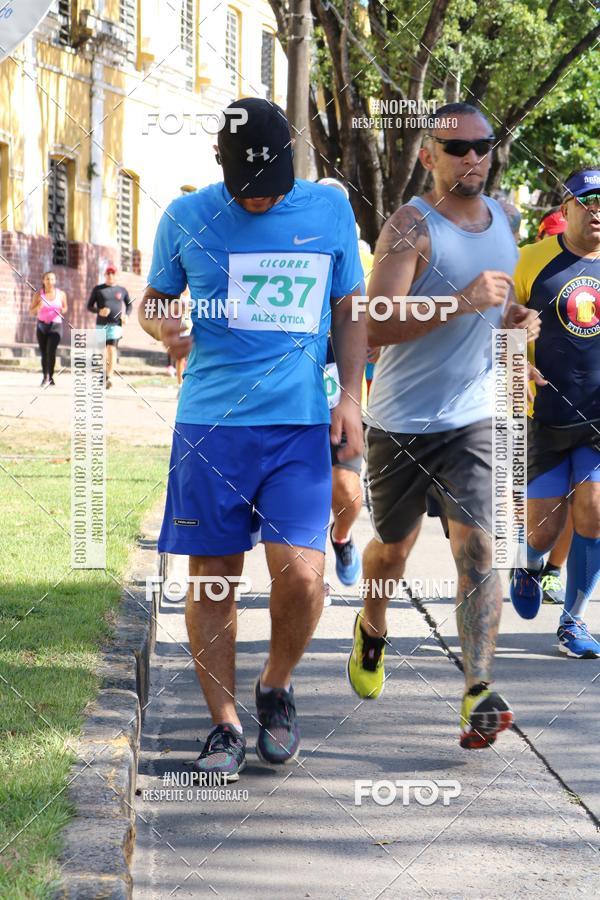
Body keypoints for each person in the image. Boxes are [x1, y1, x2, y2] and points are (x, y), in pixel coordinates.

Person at [139, 98, 366, 779]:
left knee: (302, 574)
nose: (262, 202)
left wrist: (352, 395)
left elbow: (349, 306)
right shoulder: (185, 216)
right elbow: (153, 300)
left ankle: (276, 683)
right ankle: (224, 726)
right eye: (249, 193)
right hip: (211, 427)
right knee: (212, 582)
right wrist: (162, 327)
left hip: (297, 424)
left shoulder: (327, 211)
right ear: (221, 168)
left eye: (273, 190)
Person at [348, 102, 539, 750]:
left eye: (483, 145)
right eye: (457, 148)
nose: (474, 158)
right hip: (400, 423)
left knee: (479, 549)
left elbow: (497, 301)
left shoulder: (505, 219)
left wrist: (512, 321)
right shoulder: (409, 226)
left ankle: (478, 691)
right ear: (428, 155)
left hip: (471, 417)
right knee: (391, 552)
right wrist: (463, 305)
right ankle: (373, 624)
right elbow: (374, 324)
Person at [510, 168, 600, 658]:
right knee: (543, 529)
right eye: (587, 200)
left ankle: (573, 622)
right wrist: (516, 359)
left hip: (598, 417)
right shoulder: (528, 261)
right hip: (542, 416)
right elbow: (496, 328)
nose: (597, 210)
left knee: (594, 514)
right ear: (564, 207)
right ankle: (527, 563)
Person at [318, 177, 372, 587]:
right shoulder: (289, 247)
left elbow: (377, 322)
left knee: (347, 488)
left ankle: (342, 536)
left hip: (343, 390)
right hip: (288, 390)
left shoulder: (364, 262)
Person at [535, 205, 570, 604]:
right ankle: (525, 561)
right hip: (527, 408)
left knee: (584, 501)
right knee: (533, 505)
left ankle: (554, 571)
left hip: (581, 410)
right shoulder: (528, 271)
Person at [87, 264, 133, 389]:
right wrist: (99, 311)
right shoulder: (98, 289)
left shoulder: (122, 290)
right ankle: (102, 374)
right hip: (101, 324)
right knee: (102, 351)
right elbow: (89, 306)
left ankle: (109, 377)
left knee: (111, 349)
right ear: (105, 275)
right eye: (108, 273)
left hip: (115, 325)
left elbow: (129, 305)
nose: (110, 276)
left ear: (117, 275)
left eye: (113, 273)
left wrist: (127, 316)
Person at [30, 271, 67, 386]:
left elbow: (65, 308)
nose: (50, 281)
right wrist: (38, 306)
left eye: (52, 279)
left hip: (55, 326)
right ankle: (45, 376)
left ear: (55, 281)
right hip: (42, 326)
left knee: (51, 351)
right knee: (43, 352)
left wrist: (61, 311)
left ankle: (50, 376)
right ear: (43, 281)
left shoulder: (61, 294)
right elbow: (32, 311)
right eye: (47, 279)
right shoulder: (38, 294)